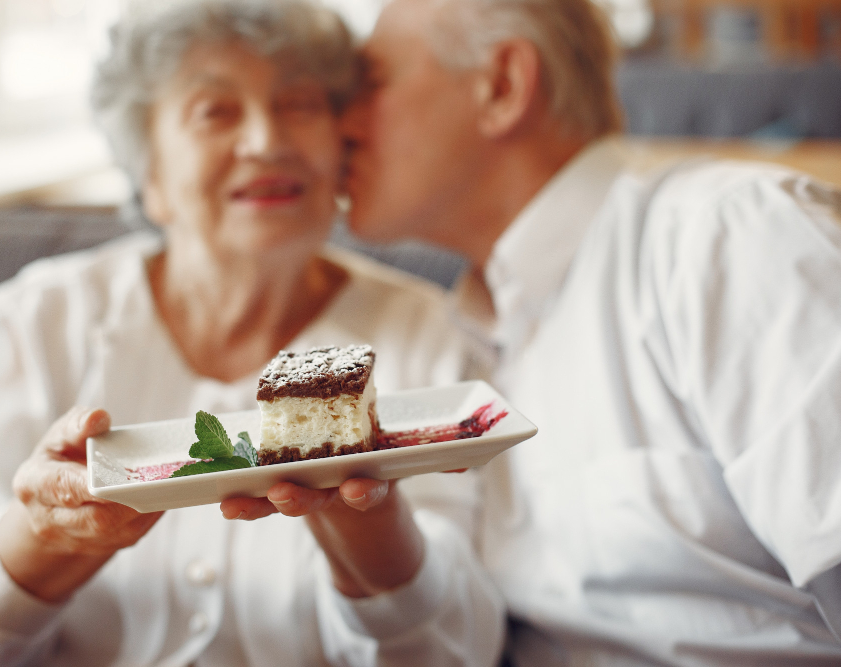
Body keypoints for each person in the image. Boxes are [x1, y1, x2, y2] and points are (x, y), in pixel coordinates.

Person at [0, 1, 505, 665]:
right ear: (151, 177)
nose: (266, 141)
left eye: (299, 104)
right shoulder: (27, 327)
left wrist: (368, 522)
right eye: (215, 111)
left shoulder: (432, 335)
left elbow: (456, 651)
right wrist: (44, 536)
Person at [341, 0, 841, 664]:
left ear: (502, 86)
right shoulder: (453, 344)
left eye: (368, 84)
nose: (337, 121)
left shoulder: (728, 242)